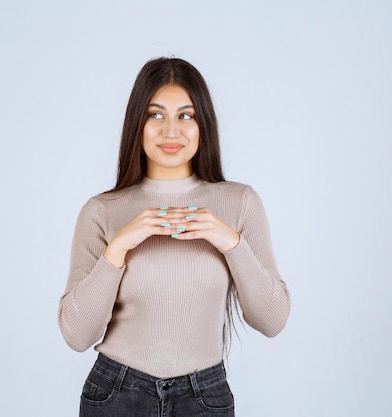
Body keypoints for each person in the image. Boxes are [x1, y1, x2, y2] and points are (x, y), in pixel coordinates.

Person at [58, 57, 291, 417]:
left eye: (186, 115)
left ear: (203, 125)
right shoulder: (102, 210)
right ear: (137, 123)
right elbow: (77, 335)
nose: (171, 131)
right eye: (155, 114)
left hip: (203, 395)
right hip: (117, 392)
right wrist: (118, 248)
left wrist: (230, 242)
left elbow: (271, 321)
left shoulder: (238, 203)